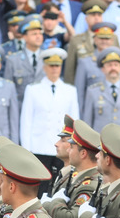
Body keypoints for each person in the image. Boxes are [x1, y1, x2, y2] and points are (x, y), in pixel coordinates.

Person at [20, 48, 78, 177]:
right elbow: (26, 121)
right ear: (44, 67)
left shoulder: (70, 90)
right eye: (51, 65)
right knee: (41, 186)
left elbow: (74, 121)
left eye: (57, 66)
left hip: (63, 147)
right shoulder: (33, 89)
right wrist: (26, 149)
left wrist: (73, 146)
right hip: (39, 145)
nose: (54, 69)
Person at [80, 48, 120, 140]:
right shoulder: (93, 91)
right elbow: (88, 122)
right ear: (103, 69)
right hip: (100, 145)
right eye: (109, 65)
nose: (113, 68)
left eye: (116, 65)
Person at [3, 14, 47, 102]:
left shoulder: (48, 58)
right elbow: (7, 90)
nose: (38, 36)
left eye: (40, 33)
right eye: (34, 34)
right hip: (21, 108)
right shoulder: (13, 60)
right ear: (25, 37)